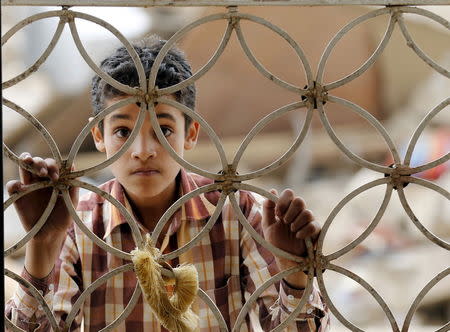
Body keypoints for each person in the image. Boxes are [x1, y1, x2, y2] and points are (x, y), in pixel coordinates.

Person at [6, 36, 330, 331]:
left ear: (190, 133)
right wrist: (42, 245)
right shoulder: (77, 225)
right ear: (98, 136)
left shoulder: (236, 212)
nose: (143, 151)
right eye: (122, 131)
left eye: (163, 128)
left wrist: (295, 275)